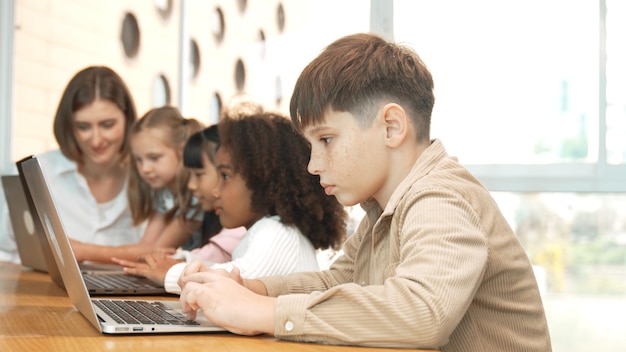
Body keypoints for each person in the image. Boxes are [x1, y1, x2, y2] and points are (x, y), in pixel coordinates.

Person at [176, 33, 552, 352]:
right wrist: (247, 288)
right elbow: (334, 281)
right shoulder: (383, 209)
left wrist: (263, 313)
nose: (313, 165)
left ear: (391, 127)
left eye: (326, 139)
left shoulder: (441, 197)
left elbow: (422, 312)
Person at [116, 108, 347, 295]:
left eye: (225, 176)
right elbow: (231, 270)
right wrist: (183, 258)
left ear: (262, 180)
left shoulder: (279, 232)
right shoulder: (261, 231)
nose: (215, 191)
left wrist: (169, 273)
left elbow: (233, 282)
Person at [0, 66, 144, 264]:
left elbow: (158, 253)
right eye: (83, 127)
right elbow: (6, 249)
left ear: (127, 120)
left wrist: (82, 250)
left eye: (107, 125)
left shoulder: (148, 175)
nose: (96, 140)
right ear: (69, 126)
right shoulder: (40, 171)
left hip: (125, 292)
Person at [112, 125, 246, 286]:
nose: (191, 185)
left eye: (198, 175)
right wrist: (172, 257)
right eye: (138, 160)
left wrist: (172, 259)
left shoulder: (237, 226)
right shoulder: (168, 195)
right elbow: (151, 249)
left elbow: (210, 260)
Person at [70, 106, 204, 263]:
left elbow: (155, 250)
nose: (145, 169)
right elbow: (147, 246)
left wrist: (84, 250)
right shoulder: (164, 194)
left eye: (154, 158)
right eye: (139, 160)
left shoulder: (197, 197)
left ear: (182, 152)